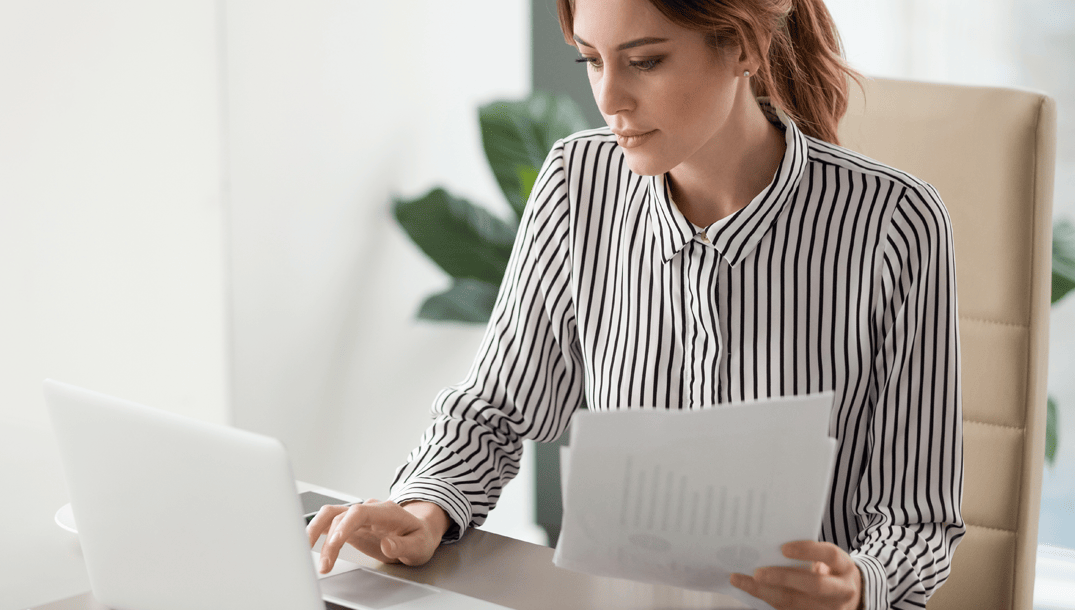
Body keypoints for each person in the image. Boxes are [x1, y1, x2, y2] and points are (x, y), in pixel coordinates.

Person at [307, 0, 964, 608]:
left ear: (742, 47)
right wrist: (426, 506)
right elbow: (495, 410)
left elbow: (917, 520)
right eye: (592, 60)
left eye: (645, 61)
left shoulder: (896, 225)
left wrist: (859, 587)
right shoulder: (576, 183)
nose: (609, 98)